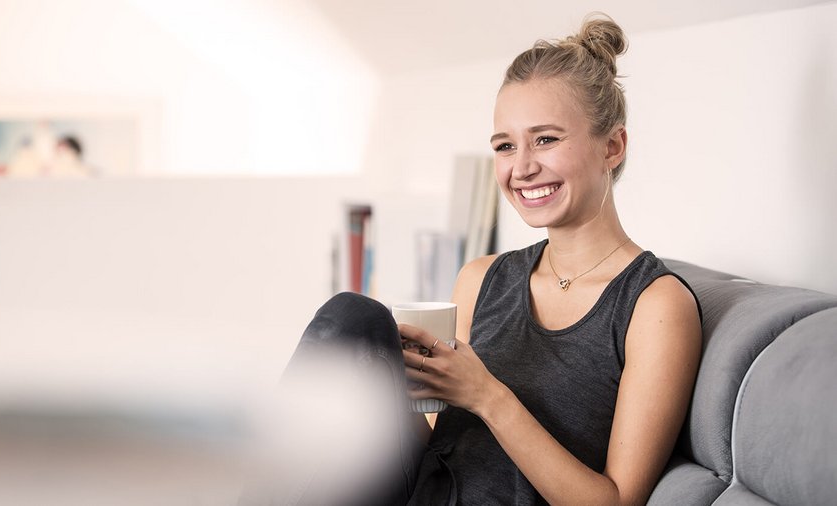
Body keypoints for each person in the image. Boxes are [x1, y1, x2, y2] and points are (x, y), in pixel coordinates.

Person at [250, 13, 702, 506]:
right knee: (354, 315)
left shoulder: (655, 306)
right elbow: (429, 442)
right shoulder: (482, 278)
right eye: (505, 146)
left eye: (546, 139)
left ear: (612, 145)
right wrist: (393, 390)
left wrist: (487, 396)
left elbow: (615, 501)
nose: (523, 167)